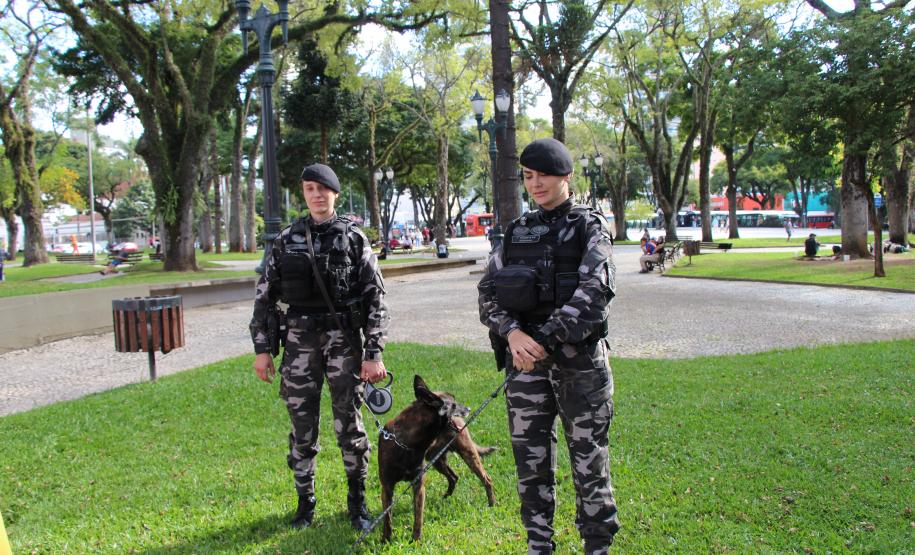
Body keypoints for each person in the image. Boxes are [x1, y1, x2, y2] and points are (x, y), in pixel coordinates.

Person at [478, 138, 619, 555]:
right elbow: (487, 292)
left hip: (581, 368)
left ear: (566, 177)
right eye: (528, 176)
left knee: (589, 461)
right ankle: (539, 544)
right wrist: (512, 334)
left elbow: (596, 291)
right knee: (530, 463)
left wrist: (543, 337)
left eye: (543, 175)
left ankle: (597, 546)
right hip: (525, 367)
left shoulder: (590, 226)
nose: (535, 183)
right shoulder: (518, 232)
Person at [249, 163, 389, 531]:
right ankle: (305, 503)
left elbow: (376, 297)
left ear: (335, 194)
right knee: (302, 427)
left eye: (323, 189)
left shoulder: (354, 239)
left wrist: (374, 353)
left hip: (343, 342)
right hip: (298, 344)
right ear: (304, 193)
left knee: (350, 425)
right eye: (310, 188)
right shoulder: (285, 240)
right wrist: (262, 350)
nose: (316, 195)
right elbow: (264, 299)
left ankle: (357, 502)